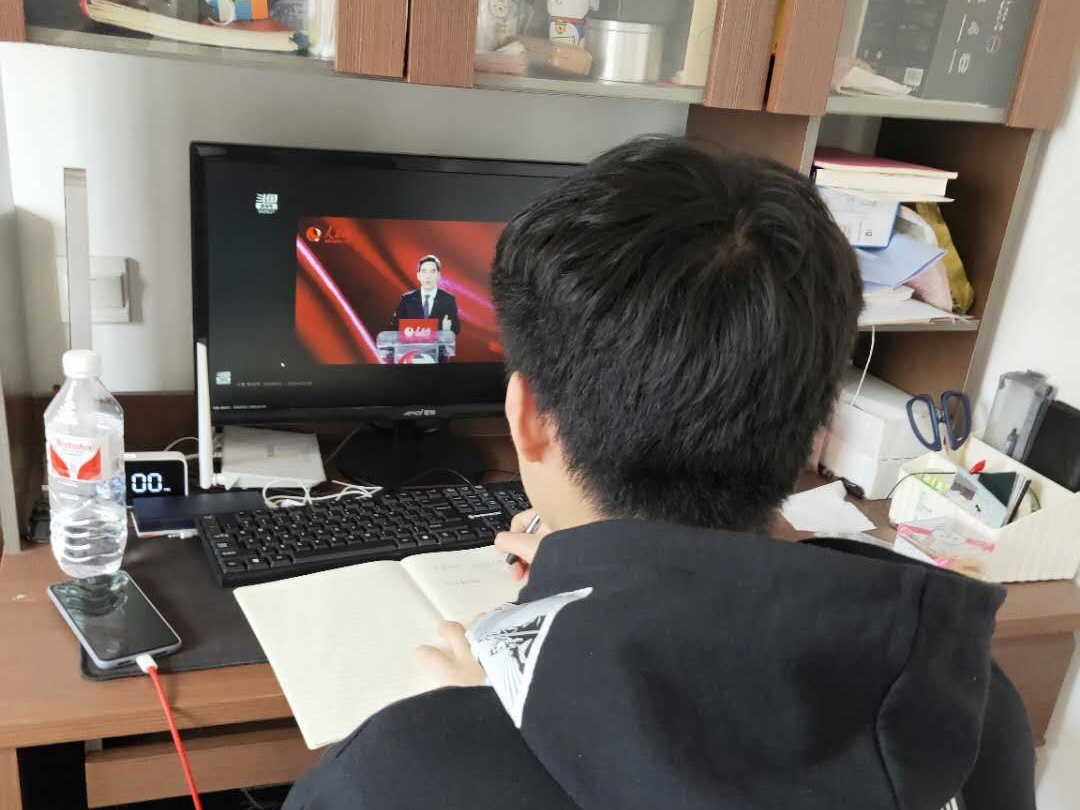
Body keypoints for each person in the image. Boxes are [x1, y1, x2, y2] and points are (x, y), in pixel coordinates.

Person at [285, 137, 1035, 810]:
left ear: (528, 416)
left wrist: (482, 719)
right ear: (818, 433)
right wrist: (620, 583)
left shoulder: (401, 773)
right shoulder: (966, 701)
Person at [390, 254, 461, 335]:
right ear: (418, 275)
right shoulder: (407, 299)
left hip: (438, 343)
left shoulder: (448, 300)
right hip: (413, 343)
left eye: (432, 271)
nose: (428, 276)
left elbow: (456, 329)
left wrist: (446, 331)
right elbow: (394, 328)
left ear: (438, 275)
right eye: (424, 271)